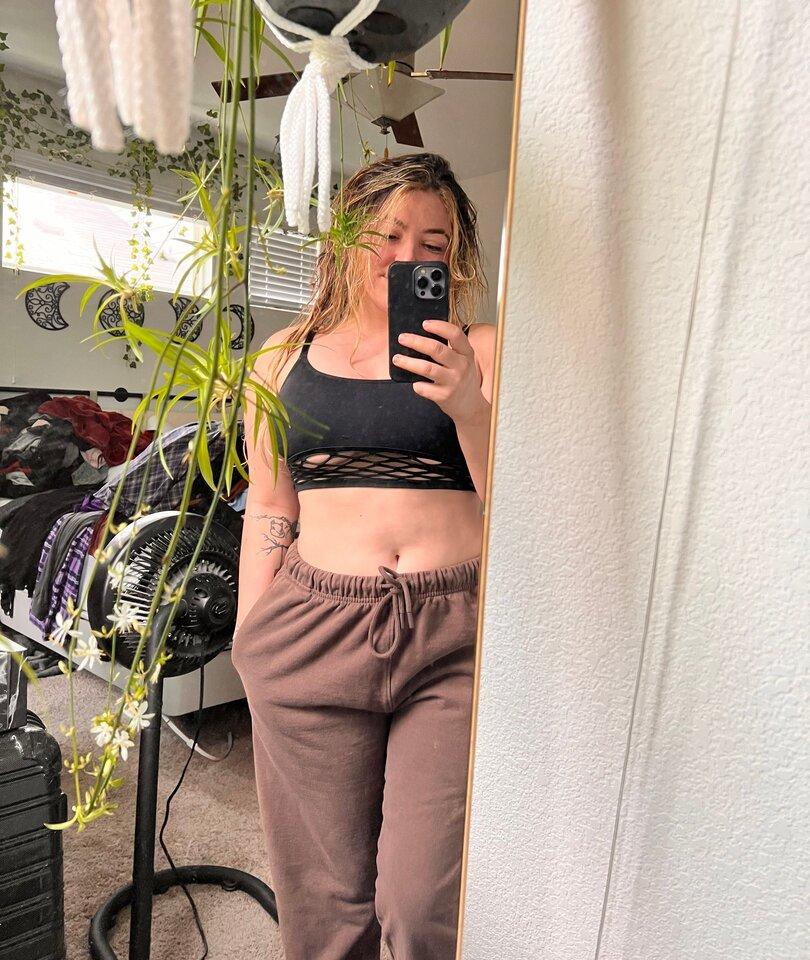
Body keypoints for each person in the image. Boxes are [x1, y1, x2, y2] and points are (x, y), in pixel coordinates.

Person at [231, 153, 497, 960]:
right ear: (344, 237)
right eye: (388, 235)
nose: (408, 257)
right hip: (311, 625)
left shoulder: (482, 348)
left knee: (422, 907)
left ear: (454, 260)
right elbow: (271, 505)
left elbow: (523, 507)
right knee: (325, 904)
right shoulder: (281, 359)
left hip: (451, 634)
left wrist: (468, 407)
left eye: (433, 245)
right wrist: (250, 635)